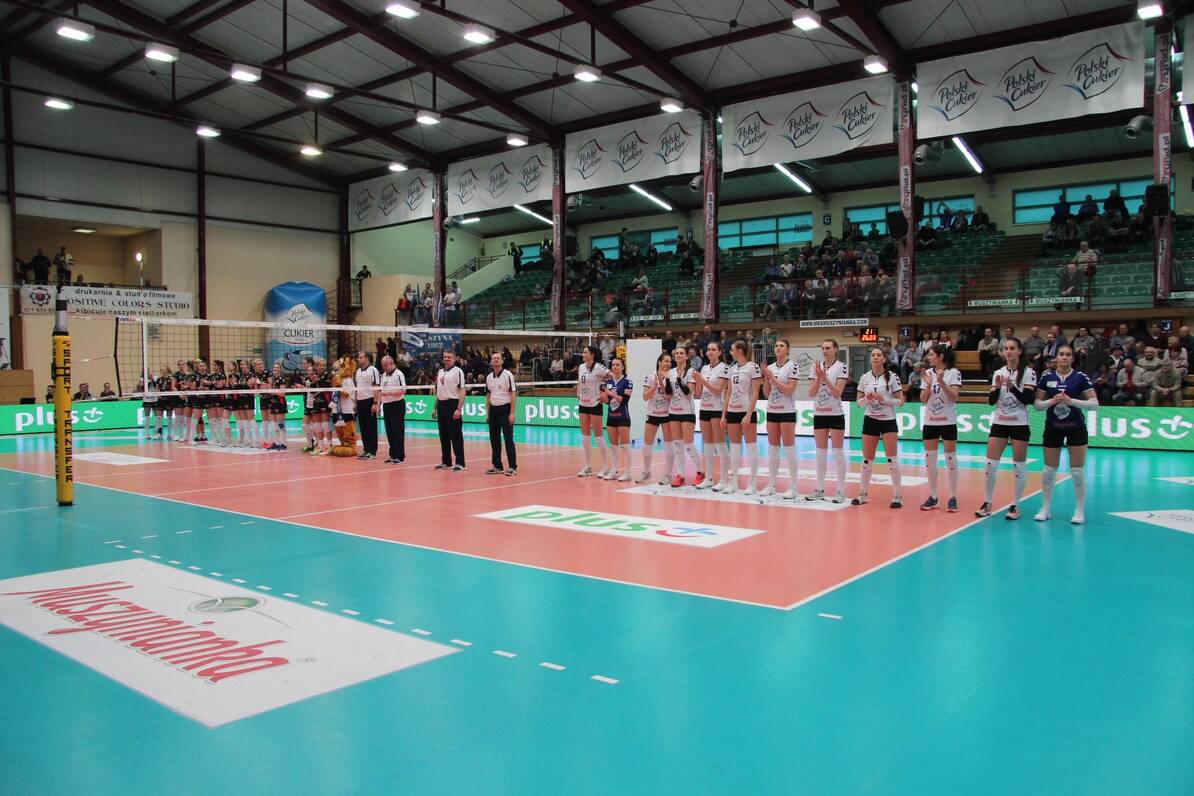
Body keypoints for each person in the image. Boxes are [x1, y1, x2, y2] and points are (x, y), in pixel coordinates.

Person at [1034, 345, 1097, 524]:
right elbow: (1037, 405)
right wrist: (1050, 401)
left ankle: (1079, 511)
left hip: (1076, 427)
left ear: (1072, 359)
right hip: (1053, 427)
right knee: (1048, 471)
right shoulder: (1047, 377)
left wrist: (1072, 401)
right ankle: (1045, 508)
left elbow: (1094, 404)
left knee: (1077, 472)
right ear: (1056, 358)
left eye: (1068, 354)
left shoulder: (1080, 377)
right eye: (1061, 354)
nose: (1064, 357)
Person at [977, 338, 1037, 520]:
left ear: (1019, 351)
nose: (1008, 351)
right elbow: (991, 401)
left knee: (1019, 467)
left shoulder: (1028, 372)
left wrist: (1012, 387)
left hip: (1019, 424)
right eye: (1006, 349)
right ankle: (987, 502)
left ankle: (1015, 505)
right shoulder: (998, 372)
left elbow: (1028, 399)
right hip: (1000, 423)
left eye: (1012, 348)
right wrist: (997, 388)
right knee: (990, 464)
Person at [852, 348, 904, 509]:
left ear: (884, 359)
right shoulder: (864, 378)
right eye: (873, 355)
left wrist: (884, 399)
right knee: (867, 459)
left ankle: (897, 495)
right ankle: (862, 493)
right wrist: (866, 399)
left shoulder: (892, 377)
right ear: (870, 359)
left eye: (878, 355)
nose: (875, 357)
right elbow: (858, 403)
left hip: (888, 420)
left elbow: (900, 401)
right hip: (870, 419)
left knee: (892, 458)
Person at [756, 339, 801, 499]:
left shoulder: (793, 366)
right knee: (773, 449)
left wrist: (773, 379)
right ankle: (771, 484)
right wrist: (766, 377)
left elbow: (789, 390)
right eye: (776, 346)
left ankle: (793, 486)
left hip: (787, 411)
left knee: (789, 449)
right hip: (772, 410)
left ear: (788, 349)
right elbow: (767, 393)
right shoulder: (770, 367)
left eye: (781, 346)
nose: (778, 348)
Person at [920, 344, 962, 512]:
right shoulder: (928, 373)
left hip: (947, 421)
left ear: (940, 357)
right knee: (930, 460)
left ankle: (952, 497)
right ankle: (933, 496)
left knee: (950, 459)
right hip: (930, 421)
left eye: (931, 354)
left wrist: (942, 382)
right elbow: (923, 399)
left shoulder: (954, 372)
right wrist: (928, 384)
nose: (928, 357)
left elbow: (954, 397)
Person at [806, 339, 849, 503]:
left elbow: (837, 392)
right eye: (823, 348)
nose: (824, 350)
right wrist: (818, 378)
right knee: (820, 453)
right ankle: (819, 488)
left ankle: (840, 490)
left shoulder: (841, 367)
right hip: (819, 413)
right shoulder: (815, 367)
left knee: (837, 453)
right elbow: (811, 393)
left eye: (828, 348)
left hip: (835, 414)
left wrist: (825, 377)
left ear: (835, 350)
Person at [723, 339, 763, 495]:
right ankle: (733, 481)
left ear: (739, 351)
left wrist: (748, 414)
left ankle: (752, 482)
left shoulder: (752, 367)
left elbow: (755, 392)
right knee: (734, 447)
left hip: (747, 411)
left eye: (732, 349)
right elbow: (728, 393)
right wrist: (724, 415)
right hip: (732, 411)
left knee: (751, 446)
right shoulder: (731, 369)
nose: (730, 352)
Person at [692, 340, 730, 491]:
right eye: (708, 349)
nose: (710, 352)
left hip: (717, 409)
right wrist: (696, 382)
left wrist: (701, 380)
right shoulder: (704, 368)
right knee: (707, 445)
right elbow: (698, 393)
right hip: (704, 408)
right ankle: (708, 478)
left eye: (713, 349)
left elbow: (717, 391)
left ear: (719, 352)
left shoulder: (724, 368)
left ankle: (724, 480)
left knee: (720, 444)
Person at [665, 347, 702, 487]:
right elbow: (669, 394)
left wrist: (679, 379)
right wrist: (667, 380)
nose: (678, 355)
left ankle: (700, 472)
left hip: (687, 411)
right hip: (673, 411)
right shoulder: (670, 372)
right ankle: (680, 474)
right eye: (677, 353)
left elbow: (688, 393)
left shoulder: (691, 372)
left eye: (681, 353)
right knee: (677, 444)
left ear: (686, 356)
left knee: (688, 444)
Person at [636, 353, 673, 483]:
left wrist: (663, 384)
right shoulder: (650, 376)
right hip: (652, 413)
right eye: (666, 361)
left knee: (668, 445)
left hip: (667, 414)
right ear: (659, 362)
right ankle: (646, 472)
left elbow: (670, 397)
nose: (668, 363)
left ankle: (668, 474)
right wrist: (654, 386)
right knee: (647, 444)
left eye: (670, 362)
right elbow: (645, 397)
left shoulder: (672, 376)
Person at [576, 345, 611, 478]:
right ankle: (588, 466)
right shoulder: (581, 367)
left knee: (598, 436)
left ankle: (606, 467)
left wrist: (604, 391)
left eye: (585, 352)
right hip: (583, 403)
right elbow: (580, 381)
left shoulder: (598, 367)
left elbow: (612, 378)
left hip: (595, 403)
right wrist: (578, 391)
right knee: (585, 437)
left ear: (592, 355)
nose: (583, 354)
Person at [432, 350, 467, 470]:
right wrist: (434, 408)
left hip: (452, 404)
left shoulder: (458, 371)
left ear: (454, 359)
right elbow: (438, 391)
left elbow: (462, 390)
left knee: (456, 435)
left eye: (449, 357)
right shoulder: (440, 372)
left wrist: (458, 409)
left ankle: (460, 463)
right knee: (443, 435)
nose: (446, 359)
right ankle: (446, 461)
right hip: (441, 405)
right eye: (445, 357)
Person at [485, 352, 518, 476]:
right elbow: (488, 395)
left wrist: (512, 413)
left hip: (505, 409)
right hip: (493, 410)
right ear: (491, 361)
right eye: (493, 358)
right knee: (494, 439)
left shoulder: (508, 375)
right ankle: (497, 466)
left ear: (502, 361)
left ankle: (512, 467)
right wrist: (487, 413)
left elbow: (513, 394)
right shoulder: (489, 377)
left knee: (508, 439)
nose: (495, 360)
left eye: (498, 358)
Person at [599, 357, 632, 481]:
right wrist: (603, 398)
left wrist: (611, 393)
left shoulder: (627, 381)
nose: (615, 367)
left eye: (617, 364)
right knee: (613, 447)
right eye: (613, 365)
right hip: (611, 417)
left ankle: (627, 473)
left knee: (625, 446)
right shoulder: (608, 382)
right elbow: (608, 401)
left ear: (623, 367)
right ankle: (614, 471)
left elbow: (624, 400)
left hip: (623, 416)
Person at [377, 355, 407, 463]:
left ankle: (400, 456)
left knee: (397, 430)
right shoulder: (384, 375)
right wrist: (378, 405)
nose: (384, 367)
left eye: (385, 365)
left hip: (397, 404)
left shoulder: (399, 374)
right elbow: (381, 392)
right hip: (387, 405)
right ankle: (392, 455)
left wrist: (389, 393)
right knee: (389, 431)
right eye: (382, 365)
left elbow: (403, 390)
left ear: (391, 363)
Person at [352, 352, 380, 460]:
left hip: (369, 401)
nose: (358, 359)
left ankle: (372, 452)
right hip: (360, 401)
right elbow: (356, 388)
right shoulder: (357, 371)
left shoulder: (373, 370)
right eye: (358, 357)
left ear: (367, 359)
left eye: (360, 357)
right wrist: (355, 402)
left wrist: (375, 403)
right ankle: (366, 450)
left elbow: (376, 387)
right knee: (363, 427)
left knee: (371, 427)